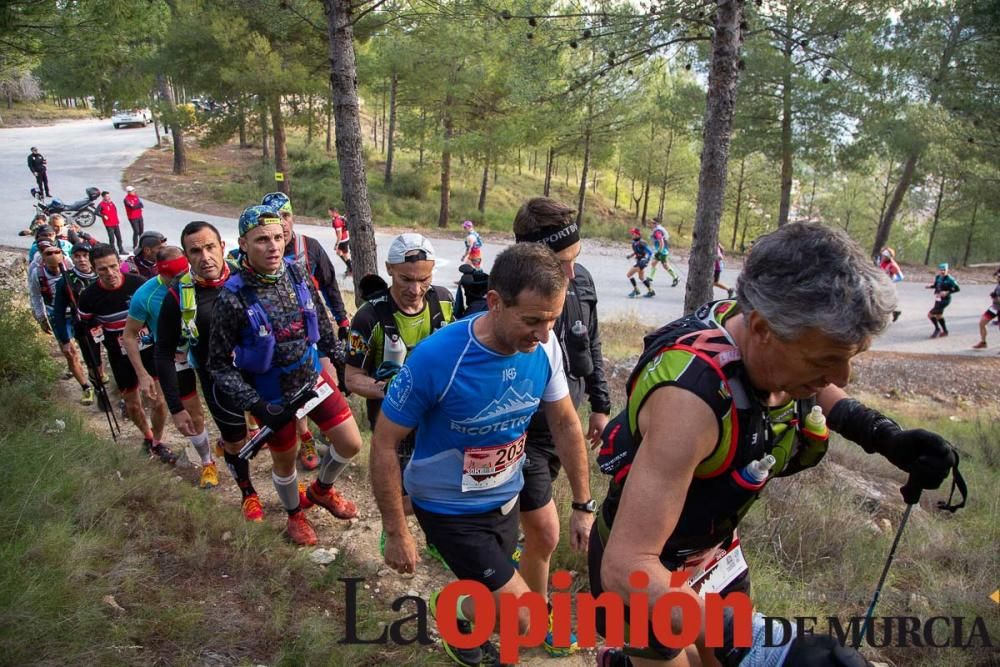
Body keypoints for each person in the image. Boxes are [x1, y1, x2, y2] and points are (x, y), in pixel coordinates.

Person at [592, 223, 959, 666]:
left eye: (850, 358)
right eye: (826, 360)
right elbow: (625, 567)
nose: (842, 378)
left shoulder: (761, 328)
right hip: (647, 576)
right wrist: (771, 645)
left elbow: (816, 388)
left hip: (714, 554)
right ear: (763, 329)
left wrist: (883, 435)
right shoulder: (688, 405)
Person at [373, 243, 594, 667]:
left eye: (553, 320)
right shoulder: (437, 358)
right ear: (494, 303)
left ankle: (464, 613)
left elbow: (566, 423)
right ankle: (462, 617)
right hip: (446, 508)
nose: (544, 334)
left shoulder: (544, 347)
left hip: (503, 496)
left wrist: (583, 503)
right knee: (522, 619)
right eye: (532, 320)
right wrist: (397, 529)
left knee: (500, 604)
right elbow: (384, 442)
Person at [208, 205, 363, 545]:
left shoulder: (296, 273)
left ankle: (322, 491)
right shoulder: (232, 297)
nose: (273, 246)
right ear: (243, 243)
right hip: (272, 395)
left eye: (278, 237)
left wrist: (339, 362)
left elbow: (320, 323)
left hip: (311, 379)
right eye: (262, 239)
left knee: (351, 442)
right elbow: (217, 365)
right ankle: (295, 515)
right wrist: (257, 406)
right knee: (284, 462)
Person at [512, 196, 612, 656]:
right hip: (521, 432)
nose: (570, 275)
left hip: (565, 420)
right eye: (560, 263)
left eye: (575, 261)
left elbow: (590, 340)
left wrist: (600, 402)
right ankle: (532, 619)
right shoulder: (500, 294)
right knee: (546, 533)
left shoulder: (582, 279)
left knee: (528, 531)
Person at [345, 233, 455, 553]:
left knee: (439, 480)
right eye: (406, 279)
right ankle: (394, 528)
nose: (415, 289)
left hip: (437, 415)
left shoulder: (445, 301)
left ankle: (436, 535)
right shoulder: (369, 317)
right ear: (390, 269)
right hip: (393, 419)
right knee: (401, 484)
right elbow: (352, 378)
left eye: (424, 279)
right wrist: (394, 389)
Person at [156, 221, 265, 519]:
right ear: (187, 257)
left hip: (258, 372)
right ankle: (248, 492)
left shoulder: (248, 277)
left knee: (279, 429)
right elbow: (163, 353)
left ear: (222, 246)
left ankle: (291, 491)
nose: (205, 257)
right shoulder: (178, 295)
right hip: (217, 380)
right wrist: (177, 408)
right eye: (195, 251)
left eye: (210, 247)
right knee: (236, 440)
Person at [262, 192, 352, 469]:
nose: (283, 224)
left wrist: (342, 320)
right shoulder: (258, 253)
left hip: (315, 331)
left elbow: (329, 285)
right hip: (283, 344)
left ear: (293, 217)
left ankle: (330, 432)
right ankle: (306, 438)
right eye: (275, 219)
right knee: (295, 393)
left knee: (331, 383)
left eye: (286, 216)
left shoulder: (309, 247)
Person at [123, 245, 217, 485]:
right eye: (172, 276)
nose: (178, 279)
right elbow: (129, 335)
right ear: (160, 272)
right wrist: (142, 374)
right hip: (177, 357)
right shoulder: (145, 295)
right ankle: (207, 462)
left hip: (208, 352)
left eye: (182, 272)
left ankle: (235, 436)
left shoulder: (200, 280)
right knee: (193, 413)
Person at [77, 244, 176, 462]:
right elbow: (83, 331)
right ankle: (148, 437)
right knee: (133, 404)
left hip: (150, 350)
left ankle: (158, 441)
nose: (110, 273)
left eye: (113, 266)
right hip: (119, 356)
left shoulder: (137, 284)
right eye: (102, 269)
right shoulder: (88, 297)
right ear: (94, 269)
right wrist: (93, 364)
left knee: (159, 401)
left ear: (120, 264)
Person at [28, 240, 93, 405]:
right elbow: (35, 295)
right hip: (56, 315)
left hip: (76, 312)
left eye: (56, 252)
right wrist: (40, 316)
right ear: (43, 257)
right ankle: (85, 386)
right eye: (48, 253)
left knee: (89, 346)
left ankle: (96, 374)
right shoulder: (37, 274)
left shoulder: (70, 268)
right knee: (70, 352)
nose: (53, 256)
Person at [51, 243, 104, 406]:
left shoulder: (101, 274)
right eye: (77, 256)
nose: (82, 259)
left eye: (85, 255)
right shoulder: (65, 281)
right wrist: (65, 340)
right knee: (93, 362)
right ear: (72, 258)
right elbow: (58, 312)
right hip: (84, 326)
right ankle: (99, 388)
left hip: (107, 323)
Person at [926, 262, 960, 338]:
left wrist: (947, 292)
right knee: (938, 316)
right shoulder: (938, 277)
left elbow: (957, 289)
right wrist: (930, 286)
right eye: (941, 270)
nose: (942, 271)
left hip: (945, 300)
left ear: (947, 270)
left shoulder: (950, 279)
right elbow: (935, 285)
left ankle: (937, 329)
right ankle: (945, 331)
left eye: (944, 270)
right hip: (938, 298)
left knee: (930, 315)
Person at [648, 216, 680, 287]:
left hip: (662, 251)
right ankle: (650, 278)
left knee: (665, 265)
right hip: (659, 250)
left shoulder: (657, 231)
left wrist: (659, 252)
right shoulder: (657, 229)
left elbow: (661, 243)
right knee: (653, 263)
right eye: (651, 222)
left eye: (653, 223)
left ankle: (676, 277)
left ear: (656, 224)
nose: (651, 224)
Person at [972, 268, 1000, 349]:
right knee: (982, 323)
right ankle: (983, 342)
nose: (997, 278)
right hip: (995, 307)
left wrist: (996, 297)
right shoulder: (998, 284)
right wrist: (994, 296)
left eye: (998, 276)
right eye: (997, 276)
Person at [627, 227, 655, 298]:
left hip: (642, 262)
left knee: (629, 274)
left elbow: (650, 252)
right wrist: (631, 255)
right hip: (639, 261)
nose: (632, 235)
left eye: (633, 233)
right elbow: (637, 251)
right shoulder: (634, 242)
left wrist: (646, 260)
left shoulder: (642, 243)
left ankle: (636, 290)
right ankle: (651, 291)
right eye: (632, 233)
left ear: (638, 234)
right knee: (641, 277)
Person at [878, 247, 903, 322]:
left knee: (883, 301)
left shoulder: (892, 265)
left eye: (884, 256)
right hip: (881, 284)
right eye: (882, 255)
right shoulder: (881, 262)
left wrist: (891, 281)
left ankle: (891, 314)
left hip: (888, 286)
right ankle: (894, 312)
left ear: (888, 257)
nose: (882, 257)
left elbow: (901, 277)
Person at [97, 191, 125, 255]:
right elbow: (96, 212)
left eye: (109, 196)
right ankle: (113, 252)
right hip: (109, 224)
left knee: (119, 237)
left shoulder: (111, 203)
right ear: (103, 197)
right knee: (112, 239)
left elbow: (115, 210)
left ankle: (121, 250)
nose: (108, 197)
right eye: (107, 196)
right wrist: (103, 216)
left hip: (115, 223)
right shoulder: (101, 204)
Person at [329, 207, 352, 277]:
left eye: (329, 212)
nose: (328, 213)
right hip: (345, 238)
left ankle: (351, 269)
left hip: (342, 240)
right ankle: (350, 267)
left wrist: (336, 244)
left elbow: (339, 234)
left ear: (333, 212)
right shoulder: (340, 217)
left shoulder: (337, 221)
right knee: (339, 253)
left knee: (345, 255)